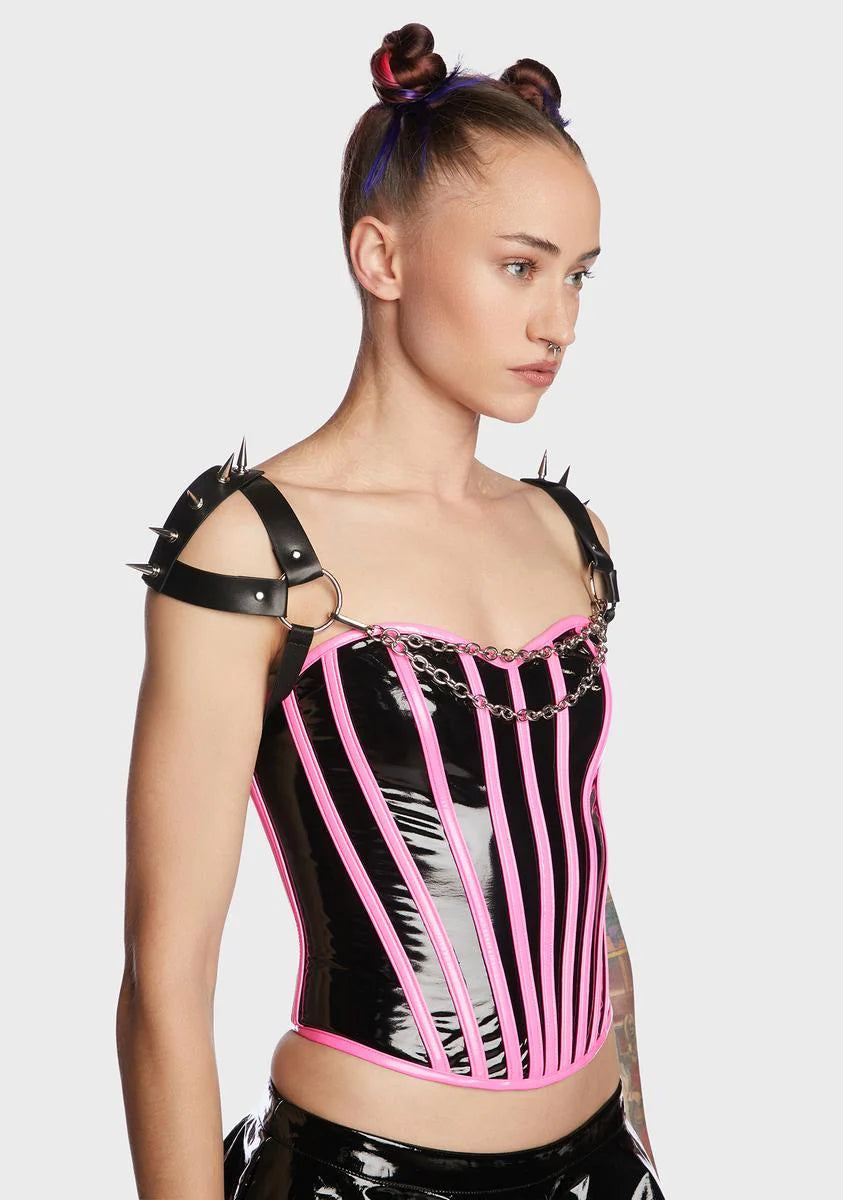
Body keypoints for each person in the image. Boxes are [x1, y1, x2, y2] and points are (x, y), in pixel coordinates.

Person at [117, 21, 665, 1199]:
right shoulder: (255, 549)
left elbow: (574, 873)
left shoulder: (568, 536)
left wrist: (644, 1147)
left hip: (598, 1163)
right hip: (362, 1178)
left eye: (578, 274)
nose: (559, 322)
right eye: (519, 267)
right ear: (382, 257)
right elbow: (165, 985)